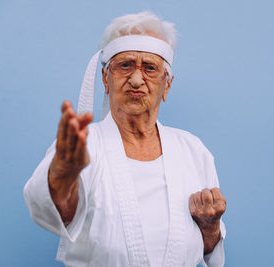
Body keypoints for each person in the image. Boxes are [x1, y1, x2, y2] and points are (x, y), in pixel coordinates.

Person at [24, 11, 227, 267]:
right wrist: (64, 174)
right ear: (106, 79)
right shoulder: (83, 147)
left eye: (150, 68)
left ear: (167, 84)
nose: (136, 78)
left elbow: (210, 251)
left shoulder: (192, 151)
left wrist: (210, 227)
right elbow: (55, 214)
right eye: (125, 65)